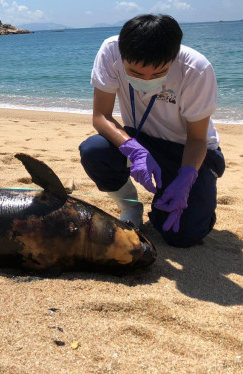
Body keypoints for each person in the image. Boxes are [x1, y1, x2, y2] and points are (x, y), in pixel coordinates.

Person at [79, 14, 225, 247]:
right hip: (140, 138)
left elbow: (197, 138)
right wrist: (134, 151)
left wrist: (187, 178)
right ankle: (130, 206)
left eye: (158, 74)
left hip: (186, 148)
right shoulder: (110, 51)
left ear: (173, 57)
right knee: (94, 151)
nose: (146, 79)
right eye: (135, 73)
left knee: (183, 236)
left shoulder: (196, 69)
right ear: (123, 55)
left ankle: (195, 199)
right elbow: (101, 117)